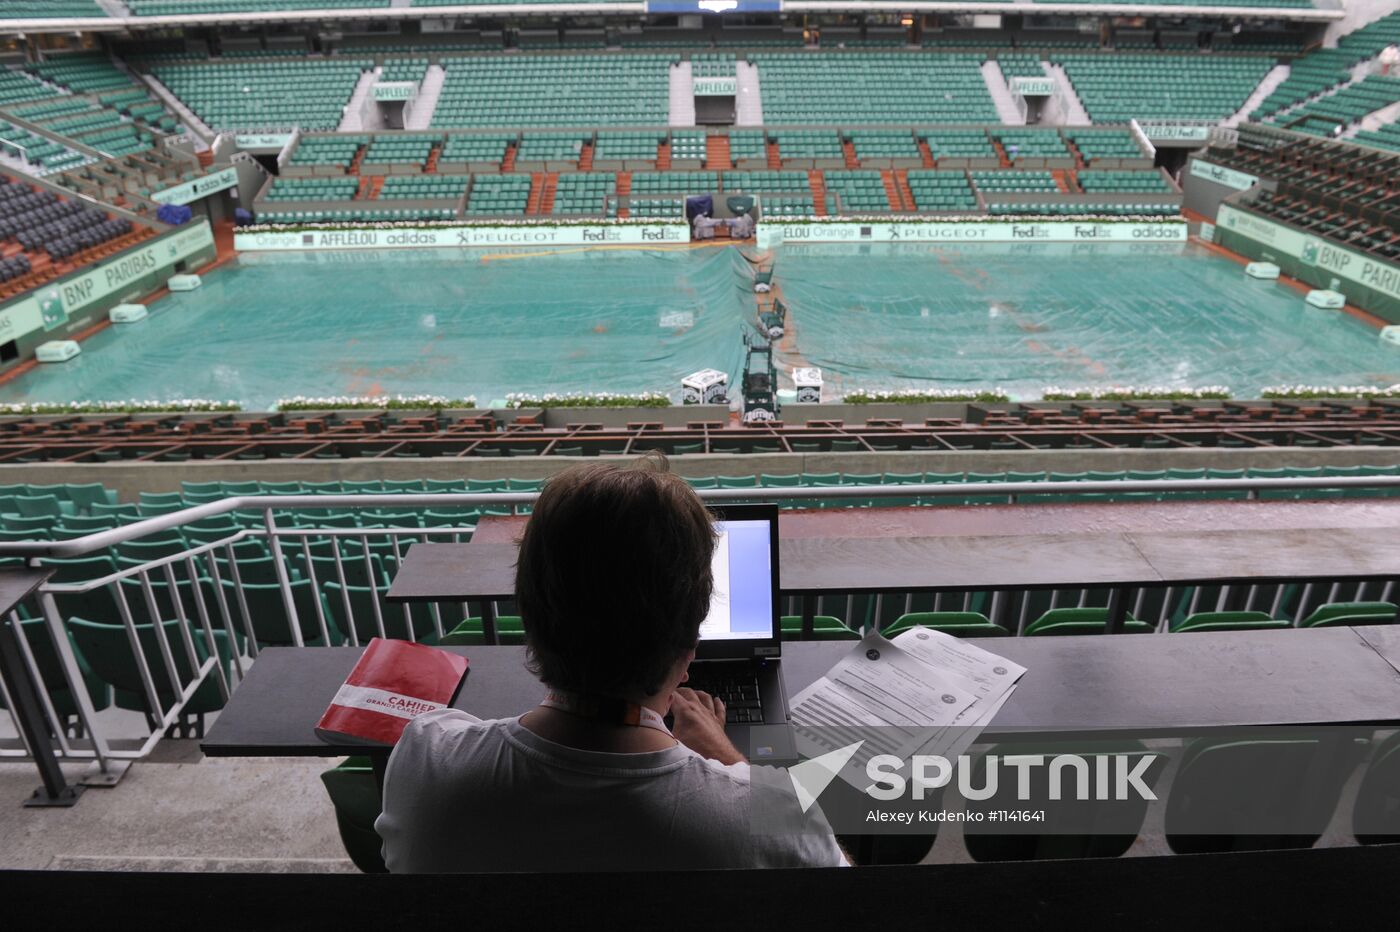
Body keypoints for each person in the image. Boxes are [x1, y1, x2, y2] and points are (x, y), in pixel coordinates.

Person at [375, 457, 849, 872]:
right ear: (688, 649)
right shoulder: (775, 818)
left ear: (531, 617)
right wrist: (726, 757)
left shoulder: (428, 760)